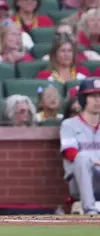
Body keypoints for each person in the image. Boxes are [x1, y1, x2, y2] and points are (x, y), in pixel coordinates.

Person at [60, 78, 100, 215]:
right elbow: (70, 153)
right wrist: (94, 161)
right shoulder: (69, 124)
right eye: (93, 96)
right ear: (83, 99)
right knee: (82, 158)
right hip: (80, 179)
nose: (98, 100)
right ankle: (90, 210)